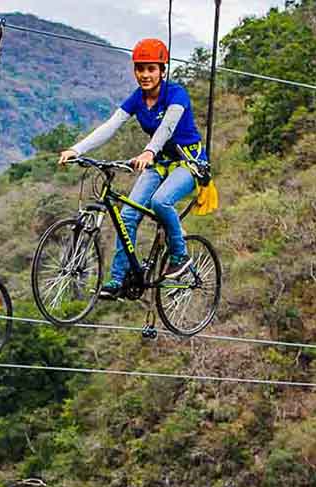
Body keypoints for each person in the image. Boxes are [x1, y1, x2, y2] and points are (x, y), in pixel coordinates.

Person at [59, 38, 206, 300]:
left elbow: (167, 127)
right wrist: (77, 150)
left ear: (162, 70)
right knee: (127, 215)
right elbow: (110, 126)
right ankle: (118, 279)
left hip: (189, 162)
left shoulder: (176, 94)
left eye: (151, 69)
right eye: (140, 69)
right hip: (160, 164)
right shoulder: (137, 99)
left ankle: (180, 256)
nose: (145, 75)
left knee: (161, 201)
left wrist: (149, 150)